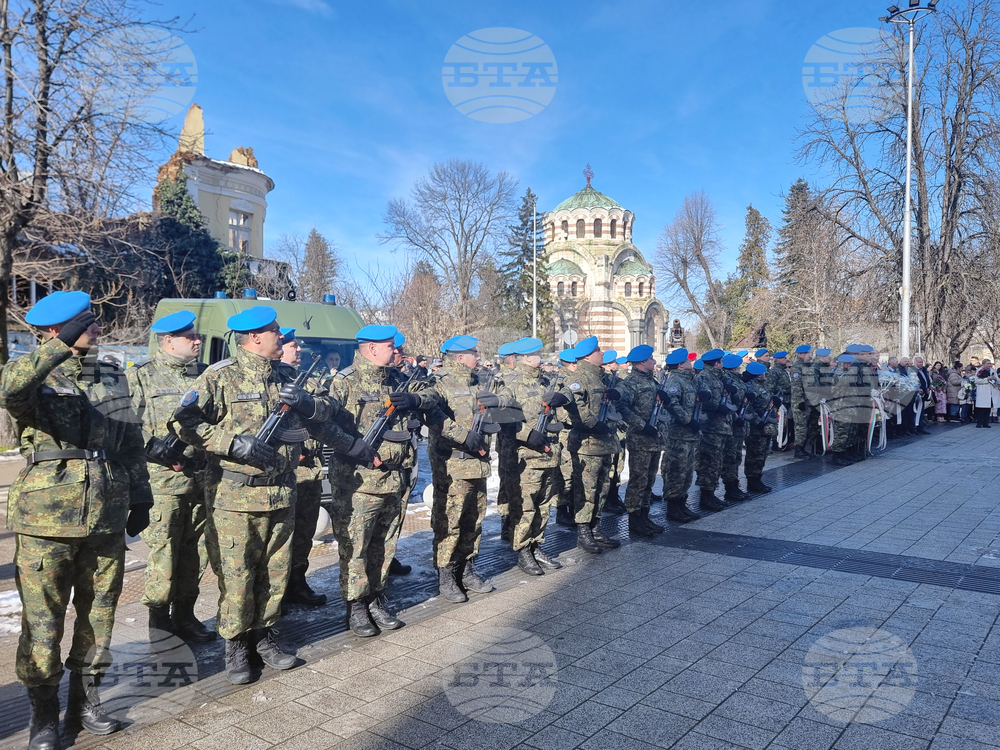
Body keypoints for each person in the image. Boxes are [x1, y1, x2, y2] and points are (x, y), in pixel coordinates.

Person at [1, 291, 154, 747]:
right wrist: (59, 348)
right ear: (57, 329)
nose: (98, 327)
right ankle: (43, 715)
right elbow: (10, 390)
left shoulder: (109, 373)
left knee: (99, 615)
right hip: (47, 518)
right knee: (43, 620)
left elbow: (129, 439)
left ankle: (86, 701)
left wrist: (140, 497)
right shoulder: (34, 372)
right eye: (87, 322)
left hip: (106, 513)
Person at [170, 306, 346, 684]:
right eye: (274, 331)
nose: (281, 336)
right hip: (235, 497)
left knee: (275, 573)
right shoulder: (219, 377)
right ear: (253, 338)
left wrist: (308, 404)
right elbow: (182, 422)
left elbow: (328, 410)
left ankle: (265, 637)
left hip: (282, 494)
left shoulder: (290, 376)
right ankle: (236, 647)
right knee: (237, 576)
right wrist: (232, 444)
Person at [323, 325, 438, 634]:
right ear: (372, 348)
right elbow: (321, 424)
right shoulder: (343, 383)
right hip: (358, 481)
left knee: (385, 545)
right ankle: (356, 606)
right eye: (390, 346)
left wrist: (415, 402)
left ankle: (376, 597)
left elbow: (432, 393)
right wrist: (352, 446)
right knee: (355, 545)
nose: (397, 350)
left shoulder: (400, 380)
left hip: (394, 478)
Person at [127, 310, 216, 643]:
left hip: (202, 478)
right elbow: (123, 426)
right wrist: (152, 448)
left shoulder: (205, 375)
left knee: (195, 552)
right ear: (167, 342)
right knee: (164, 551)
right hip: (163, 483)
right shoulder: (140, 377)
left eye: (196, 335)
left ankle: (185, 615)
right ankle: (159, 622)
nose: (197, 340)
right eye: (189, 337)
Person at [425, 335, 499, 602]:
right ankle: (445, 575)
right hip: (453, 465)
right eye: (473, 353)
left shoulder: (479, 382)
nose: (478, 357)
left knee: (474, 519)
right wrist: (462, 436)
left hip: (478, 464)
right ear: (459, 357)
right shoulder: (439, 384)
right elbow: (433, 417)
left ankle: (466, 569)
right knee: (450, 521)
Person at [496, 338, 568, 574]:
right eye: (538, 354)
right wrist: (527, 434)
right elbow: (501, 416)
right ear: (526, 357)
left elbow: (566, 394)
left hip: (548, 455)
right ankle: (523, 550)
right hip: (525, 456)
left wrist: (562, 398)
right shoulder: (509, 382)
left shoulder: (546, 381)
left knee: (544, 505)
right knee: (525, 506)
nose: (542, 357)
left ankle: (537, 544)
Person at [276, 328, 328, 607]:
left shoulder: (305, 380)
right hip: (284, 472)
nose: (298, 350)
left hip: (310, 470)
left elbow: (324, 412)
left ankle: (298, 581)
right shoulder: (272, 381)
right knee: (282, 536)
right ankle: (277, 591)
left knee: (306, 530)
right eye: (293, 346)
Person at [564, 336, 622, 553]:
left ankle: (596, 528)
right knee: (586, 491)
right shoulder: (579, 377)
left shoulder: (601, 377)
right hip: (588, 443)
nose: (603, 354)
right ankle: (584, 533)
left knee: (602, 488)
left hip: (605, 443)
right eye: (599, 351)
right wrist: (594, 425)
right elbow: (576, 408)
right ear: (589, 356)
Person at [617, 344, 667, 538]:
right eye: (652, 359)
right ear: (643, 362)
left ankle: (644, 516)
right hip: (640, 439)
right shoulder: (630, 383)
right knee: (638, 480)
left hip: (654, 438)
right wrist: (641, 424)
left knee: (649, 479)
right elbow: (622, 407)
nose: (654, 362)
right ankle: (634, 519)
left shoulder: (652, 380)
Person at [659, 348, 701, 523]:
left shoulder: (689, 379)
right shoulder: (675, 380)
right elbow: (672, 404)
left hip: (689, 435)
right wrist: (687, 420)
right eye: (688, 361)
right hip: (678, 433)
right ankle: (673, 507)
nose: (691, 363)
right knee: (676, 470)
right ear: (681, 364)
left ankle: (682, 502)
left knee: (686, 471)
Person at [694, 349, 732, 511]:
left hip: (720, 426)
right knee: (709, 462)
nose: (722, 364)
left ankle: (711, 493)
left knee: (716, 461)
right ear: (716, 363)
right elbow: (705, 400)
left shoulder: (718, 376)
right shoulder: (704, 377)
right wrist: (719, 408)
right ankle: (706, 496)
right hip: (710, 426)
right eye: (721, 362)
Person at [742, 362, 778, 493]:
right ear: (757, 376)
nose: (765, 375)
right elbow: (748, 408)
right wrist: (758, 421)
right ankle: (752, 481)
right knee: (755, 455)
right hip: (756, 427)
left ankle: (757, 478)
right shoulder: (750, 387)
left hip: (766, 425)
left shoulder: (763, 385)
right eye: (763, 373)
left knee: (762, 454)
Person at [719, 353, 750, 502]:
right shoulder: (729, 379)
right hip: (731, 422)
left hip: (737, 422)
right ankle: (730, 487)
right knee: (730, 456)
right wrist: (737, 419)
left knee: (736, 456)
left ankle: (734, 485)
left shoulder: (737, 379)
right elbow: (732, 402)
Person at [554, 349, 578, 528]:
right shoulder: (561, 383)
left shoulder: (572, 380)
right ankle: (562, 510)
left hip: (574, 432)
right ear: (571, 364)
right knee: (565, 473)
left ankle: (571, 508)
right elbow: (562, 413)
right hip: (565, 433)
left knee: (574, 472)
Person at [601, 350, 627, 515]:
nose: (616, 364)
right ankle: (607, 499)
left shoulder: (614, 380)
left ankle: (614, 495)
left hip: (618, 430)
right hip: (606, 431)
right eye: (614, 362)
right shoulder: (599, 380)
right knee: (609, 466)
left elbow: (623, 388)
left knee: (618, 465)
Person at [789, 345, 816, 459]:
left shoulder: (808, 366)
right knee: (801, 426)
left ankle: (803, 447)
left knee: (807, 425)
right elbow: (797, 385)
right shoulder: (797, 367)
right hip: (800, 401)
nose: (810, 355)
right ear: (800, 354)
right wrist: (800, 400)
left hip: (809, 400)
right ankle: (799, 449)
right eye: (807, 353)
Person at [974, 362, 999, 427]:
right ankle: (979, 423)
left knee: (988, 408)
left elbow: (998, 380)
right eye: (987, 363)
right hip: (983, 391)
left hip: (991, 392)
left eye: (989, 363)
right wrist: (987, 379)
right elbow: (977, 381)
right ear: (983, 364)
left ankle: (986, 423)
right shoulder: (980, 371)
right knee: (982, 409)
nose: (989, 365)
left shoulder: (993, 371)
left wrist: (995, 379)